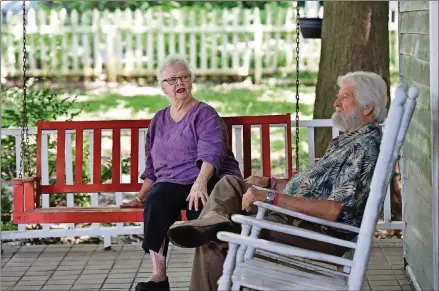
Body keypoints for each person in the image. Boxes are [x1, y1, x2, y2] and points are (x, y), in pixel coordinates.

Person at [168, 71, 388, 291]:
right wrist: (269, 183)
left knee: (217, 239)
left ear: (367, 107)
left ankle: (212, 224)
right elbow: (311, 187)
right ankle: (213, 219)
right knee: (230, 183)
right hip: (295, 218)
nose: (336, 102)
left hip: (314, 230)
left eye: (345, 97)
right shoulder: (350, 140)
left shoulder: (364, 148)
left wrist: (270, 197)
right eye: (338, 96)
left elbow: (334, 210)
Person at [122, 54, 242, 291]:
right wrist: (139, 197)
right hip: (174, 182)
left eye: (184, 77)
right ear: (163, 87)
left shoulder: (204, 114)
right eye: (173, 79)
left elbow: (212, 153)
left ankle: (214, 278)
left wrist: (200, 182)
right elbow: (152, 168)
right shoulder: (158, 120)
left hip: (208, 178)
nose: (180, 83)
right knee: (157, 199)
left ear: (191, 81)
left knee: (200, 208)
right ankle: (159, 278)